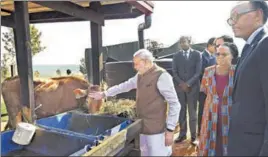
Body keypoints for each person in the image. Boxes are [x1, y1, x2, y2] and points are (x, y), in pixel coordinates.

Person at [88, 49, 181, 156]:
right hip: (142, 126)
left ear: (146, 62)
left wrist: (170, 130)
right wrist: (104, 94)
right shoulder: (140, 75)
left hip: (156, 130)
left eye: (137, 64)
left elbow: (175, 104)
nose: (135, 67)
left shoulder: (162, 76)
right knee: (144, 153)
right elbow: (124, 86)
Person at [226, 1, 268, 156]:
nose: (232, 22)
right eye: (230, 19)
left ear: (258, 15)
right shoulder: (250, 48)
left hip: (254, 147)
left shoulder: (265, 46)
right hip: (242, 142)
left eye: (236, 16)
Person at [197, 42, 238, 156]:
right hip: (210, 113)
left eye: (224, 54)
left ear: (232, 56)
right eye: (217, 54)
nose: (220, 57)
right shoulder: (208, 71)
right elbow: (205, 91)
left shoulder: (237, 72)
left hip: (230, 114)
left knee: (227, 143)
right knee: (210, 142)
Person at [172, 36, 201, 145]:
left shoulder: (197, 54)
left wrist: (188, 83)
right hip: (180, 88)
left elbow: (198, 72)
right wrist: (182, 84)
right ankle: (182, 135)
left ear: (189, 42)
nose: (182, 44)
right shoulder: (176, 56)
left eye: (184, 42)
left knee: (192, 113)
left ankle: (193, 137)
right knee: (181, 111)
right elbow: (174, 72)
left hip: (192, 88)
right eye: (180, 42)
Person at [198, 37, 217, 136]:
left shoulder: (214, 57)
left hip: (212, 88)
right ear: (209, 46)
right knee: (202, 110)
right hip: (203, 88)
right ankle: (200, 131)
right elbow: (200, 73)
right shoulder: (201, 56)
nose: (216, 48)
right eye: (215, 45)